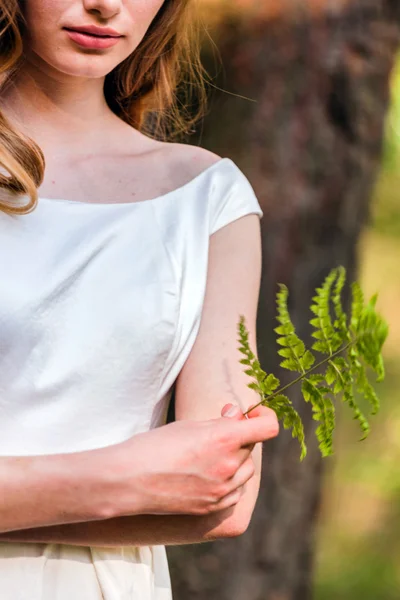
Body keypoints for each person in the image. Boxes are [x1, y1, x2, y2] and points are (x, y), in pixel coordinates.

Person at [0, 1, 279, 598]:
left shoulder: (206, 198)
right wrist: (129, 479)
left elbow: (224, 499)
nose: (105, 4)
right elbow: (181, 486)